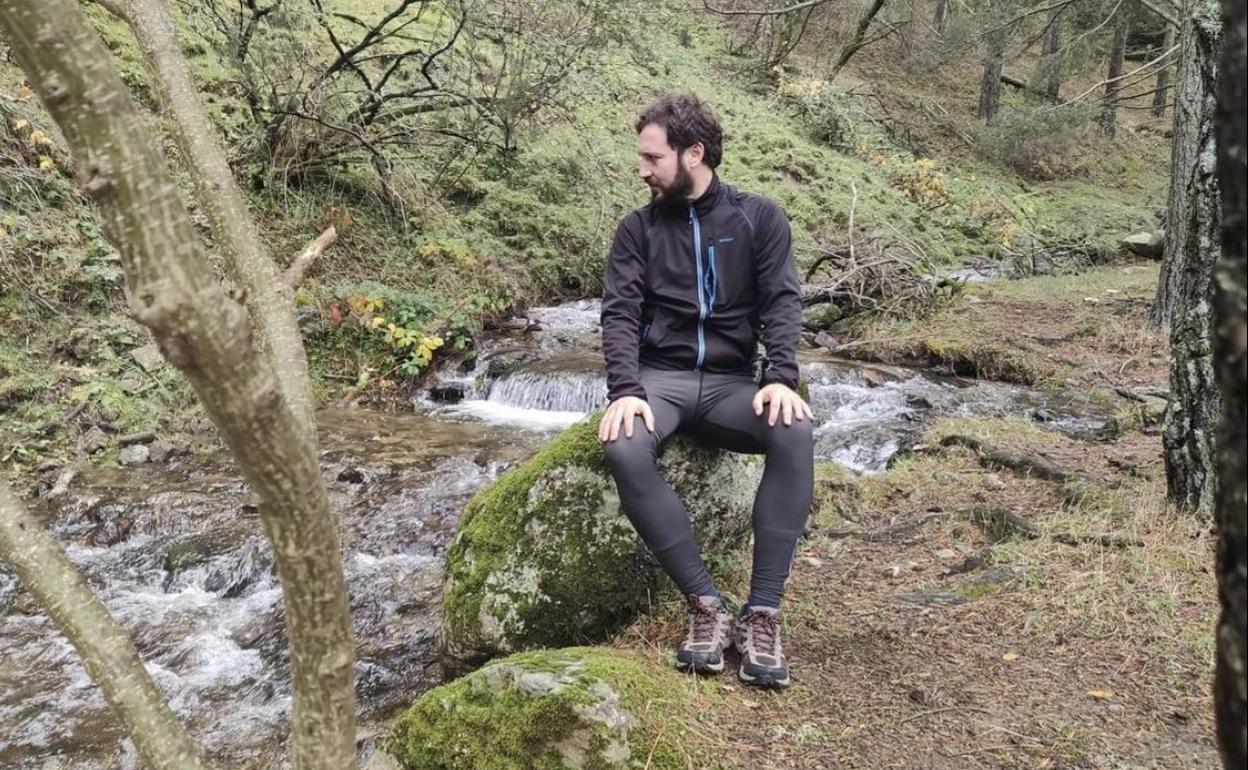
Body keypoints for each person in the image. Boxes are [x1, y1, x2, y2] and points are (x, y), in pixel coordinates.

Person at [598, 93, 814, 689]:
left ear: (694, 153)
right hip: (659, 382)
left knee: (794, 429)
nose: (642, 169)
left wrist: (779, 377)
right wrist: (625, 388)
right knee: (622, 445)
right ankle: (705, 605)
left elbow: (782, 301)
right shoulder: (636, 229)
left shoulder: (758, 218)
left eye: (652, 157)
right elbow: (618, 313)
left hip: (728, 383)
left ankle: (763, 611)